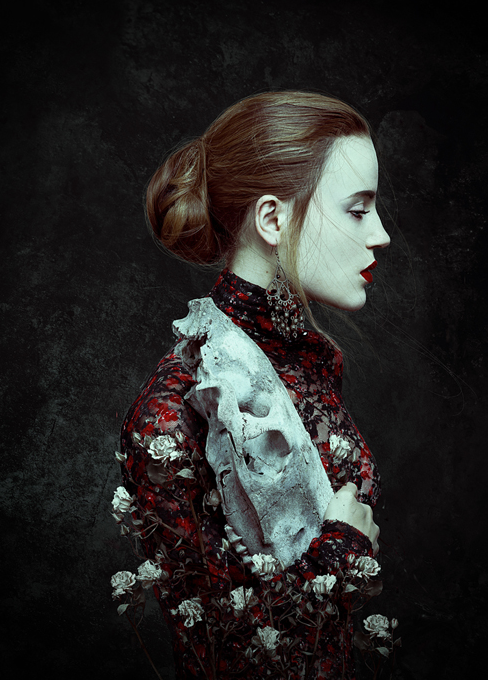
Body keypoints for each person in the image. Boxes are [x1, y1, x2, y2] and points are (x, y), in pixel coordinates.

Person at [113, 91, 392, 680]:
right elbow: (226, 649)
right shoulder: (179, 407)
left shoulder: (308, 361)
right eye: (357, 210)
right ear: (272, 219)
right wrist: (341, 548)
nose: (381, 235)